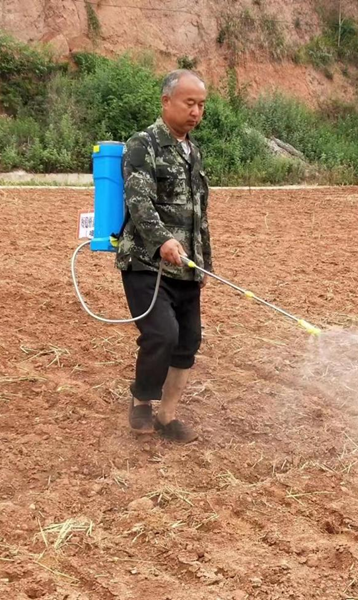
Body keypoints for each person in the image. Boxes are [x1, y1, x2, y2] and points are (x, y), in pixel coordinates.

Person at [115, 69, 212, 443]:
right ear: (166, 101)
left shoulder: (193, 152)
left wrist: (204, 264)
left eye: (201, 105)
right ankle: (142, 399)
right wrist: (161, 241)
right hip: (146, 263)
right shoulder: (143, 145)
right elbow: (138, 201)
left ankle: (168, 416)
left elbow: (199, 214)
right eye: (189, 103)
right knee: (162, 334)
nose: (196, 112)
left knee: (189, 340)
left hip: (187, 266)